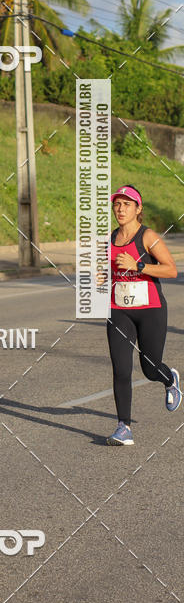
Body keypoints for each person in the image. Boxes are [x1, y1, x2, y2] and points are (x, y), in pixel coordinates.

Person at [106, 184, 181, 445]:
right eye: (117, 204)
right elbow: (111, 273)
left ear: (138, 209)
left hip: (150, 311)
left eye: (127, 204)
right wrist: (101, 277)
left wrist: (138, 264)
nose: (120, 209)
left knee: (150, 368)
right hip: (119, 312)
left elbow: (171, 270)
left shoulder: (148, 237)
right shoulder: (110, 239)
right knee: (121, 369)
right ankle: (123, 427)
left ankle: (169, 378)